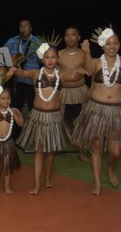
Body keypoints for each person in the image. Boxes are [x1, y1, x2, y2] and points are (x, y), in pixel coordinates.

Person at [10, 43, 85, 195]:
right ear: (42, 59)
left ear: (57, 59)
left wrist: (80, 72)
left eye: (53, 57)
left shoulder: (61, 75)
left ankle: (48, 177)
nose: (50, 60)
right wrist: (14, 69)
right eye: (47, 57)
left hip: (54, 116)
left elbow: (74, 77)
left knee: (50, 151)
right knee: (39, 151)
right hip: (38, 115)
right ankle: (37, 184)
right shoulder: (36, 73)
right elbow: (22, 73)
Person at [72, 28, 121, 195]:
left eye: (115, 43)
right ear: (102, 45)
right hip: (97, 109)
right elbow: (90, 70)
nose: (112, 46)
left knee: (115, 151)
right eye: (108, 43)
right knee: (97, 147)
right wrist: (86, 52)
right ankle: (98, 183)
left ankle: (110, 168)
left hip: (116, 111)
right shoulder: (97, 62)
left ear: (119, 45)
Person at [58, 26, 90, 162]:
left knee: (81, 122)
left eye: (73, 35)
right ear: (64, 37)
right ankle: (56, 147)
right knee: (58, 120)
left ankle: (81, 151)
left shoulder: (84, 54)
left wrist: (85, 68)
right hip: (63, 91)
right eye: (67, 35)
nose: (70, 37)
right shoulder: (58, 53)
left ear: (78, 37)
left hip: (80, 91)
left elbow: (90, 71)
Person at [4, 19, 41, 113]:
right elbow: (3, 55)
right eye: (21, 26)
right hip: (17, 81)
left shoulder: (37, 42)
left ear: (31, 28)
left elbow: (43, 61)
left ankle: (31, 127)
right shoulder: (11, 41)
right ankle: (16, 127)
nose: (23, 28)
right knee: (16, 109)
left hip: (31, 81)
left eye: (26, 26)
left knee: (32, 109)